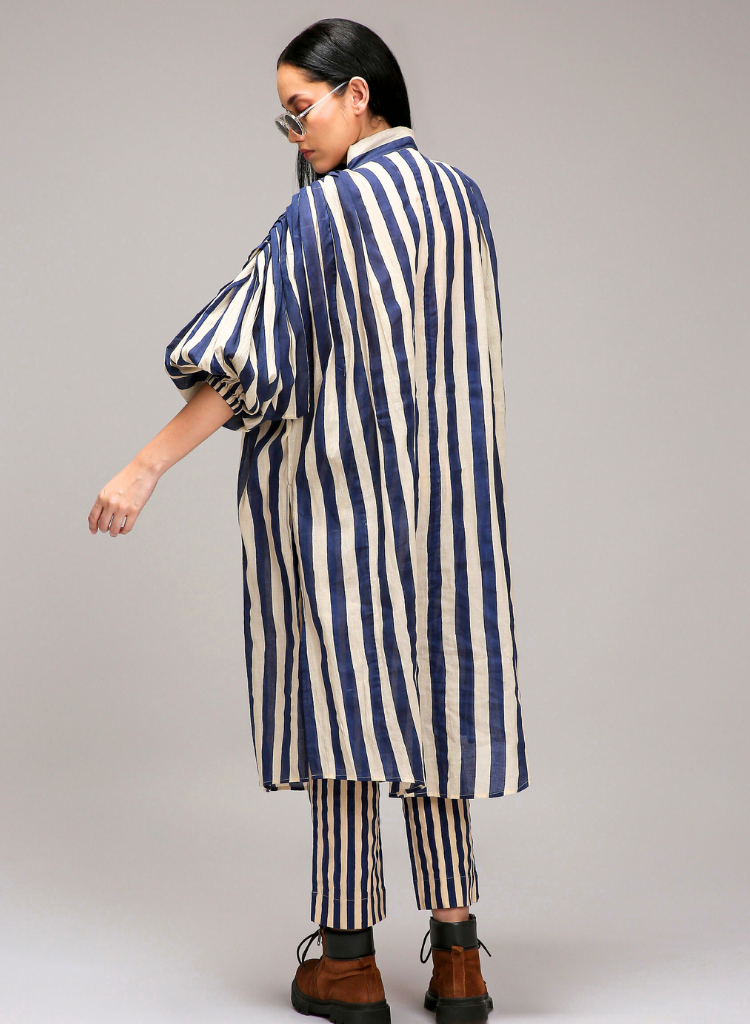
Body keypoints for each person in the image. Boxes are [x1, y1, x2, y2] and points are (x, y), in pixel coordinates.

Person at [88, 17, 529, 1024]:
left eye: (301, 110)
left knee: (346, 718)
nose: (295, 134)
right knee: (434, 715)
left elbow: (248, 364)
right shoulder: (462, 199)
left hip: (343, 511)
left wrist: (144, 465)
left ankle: (349, 961)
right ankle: (460, 961)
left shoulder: (320, 214)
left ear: (357, 93)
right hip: (450, 517)